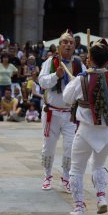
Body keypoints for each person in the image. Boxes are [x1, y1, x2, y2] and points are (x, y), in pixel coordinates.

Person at [63, 39, 108, 215]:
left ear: (89, 58)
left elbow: (66, 99)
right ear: (107, 60)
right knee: (99, 165)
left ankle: (79, 207)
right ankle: (101, 198)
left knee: (76, 169)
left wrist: (78, 85)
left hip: (87, 131)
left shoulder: (81, 79)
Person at [38, 30, 86, 193]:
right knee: (49, 147)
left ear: (74, 46)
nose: (68, 45)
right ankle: (47, 175)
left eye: (71, 43)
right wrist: (55, 75)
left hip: (70, 114)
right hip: (51, 112)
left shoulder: (79, 63)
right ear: (59, 46)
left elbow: (86, 83)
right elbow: (42, 82)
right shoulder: (51, 62)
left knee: (70, 147)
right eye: (64, 42)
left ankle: (66, 177)